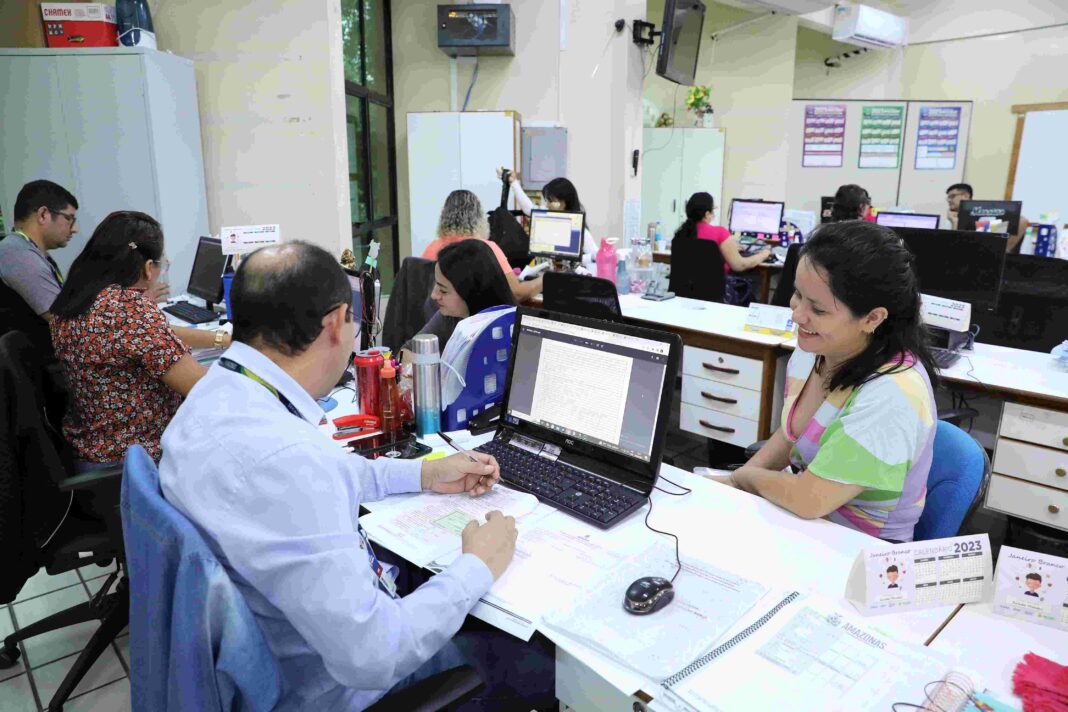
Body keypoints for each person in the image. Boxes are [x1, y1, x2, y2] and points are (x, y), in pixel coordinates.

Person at [159, 241, 555, 711]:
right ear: (335, 323)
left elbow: (329, 469)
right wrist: (478, 565)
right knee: (544, 658)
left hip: (286, 643)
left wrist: (425, 474)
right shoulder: (286, 462)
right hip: (341, 688)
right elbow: (375, 656)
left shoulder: (216, 396)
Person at [707, 221, 938, 543]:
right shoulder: (820, 348)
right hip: (806, 524)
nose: (798, 315)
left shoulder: (893, 394)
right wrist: (732, 484)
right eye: (798, 295)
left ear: (872, 318)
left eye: (817, 308)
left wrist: (748, 478)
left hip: (857, 549)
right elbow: (790, 437)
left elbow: (809, 499)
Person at [49, 211, 230, 469]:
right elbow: (200, 387)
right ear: (147, 268)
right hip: (135, 459)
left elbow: (150, 334)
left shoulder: (77, 297)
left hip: (93, 444)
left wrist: (221, 338)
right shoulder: (127, 309)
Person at [0, 180, 80, 357]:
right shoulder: (16, 253)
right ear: (43, 214)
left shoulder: (30, 251)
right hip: (38, 371)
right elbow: (64, 320)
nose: (75, 229)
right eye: (69, 219)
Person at [422, 189, 542, 303]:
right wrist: (546, 279)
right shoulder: (485, 248)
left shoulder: (432, 247)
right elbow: (516, 293)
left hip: (437, 319)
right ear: (480, 216)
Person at [407, 238, 516, 356]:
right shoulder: (451, 316)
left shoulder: (507, 331)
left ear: (470, 294)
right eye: (436, 284)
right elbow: (407, 350)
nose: (434, 295)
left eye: (443, 291)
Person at [498, 169, 599, 262]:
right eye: (547, 200)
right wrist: (514, 182)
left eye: (552, 201)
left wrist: (573, 259)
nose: (548, 205)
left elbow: (597, 256)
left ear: (566, 202)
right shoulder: (547, 214)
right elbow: (528, 208)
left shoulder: (581, 232)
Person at [673, 192, 771, 273]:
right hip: (715, 293)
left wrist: (724, 250)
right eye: (713, 210)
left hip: (683, 293)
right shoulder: (720, 232)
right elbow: (740, 265)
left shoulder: (680, 234)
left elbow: (700, 258)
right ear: (707, 214)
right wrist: (763, 254)